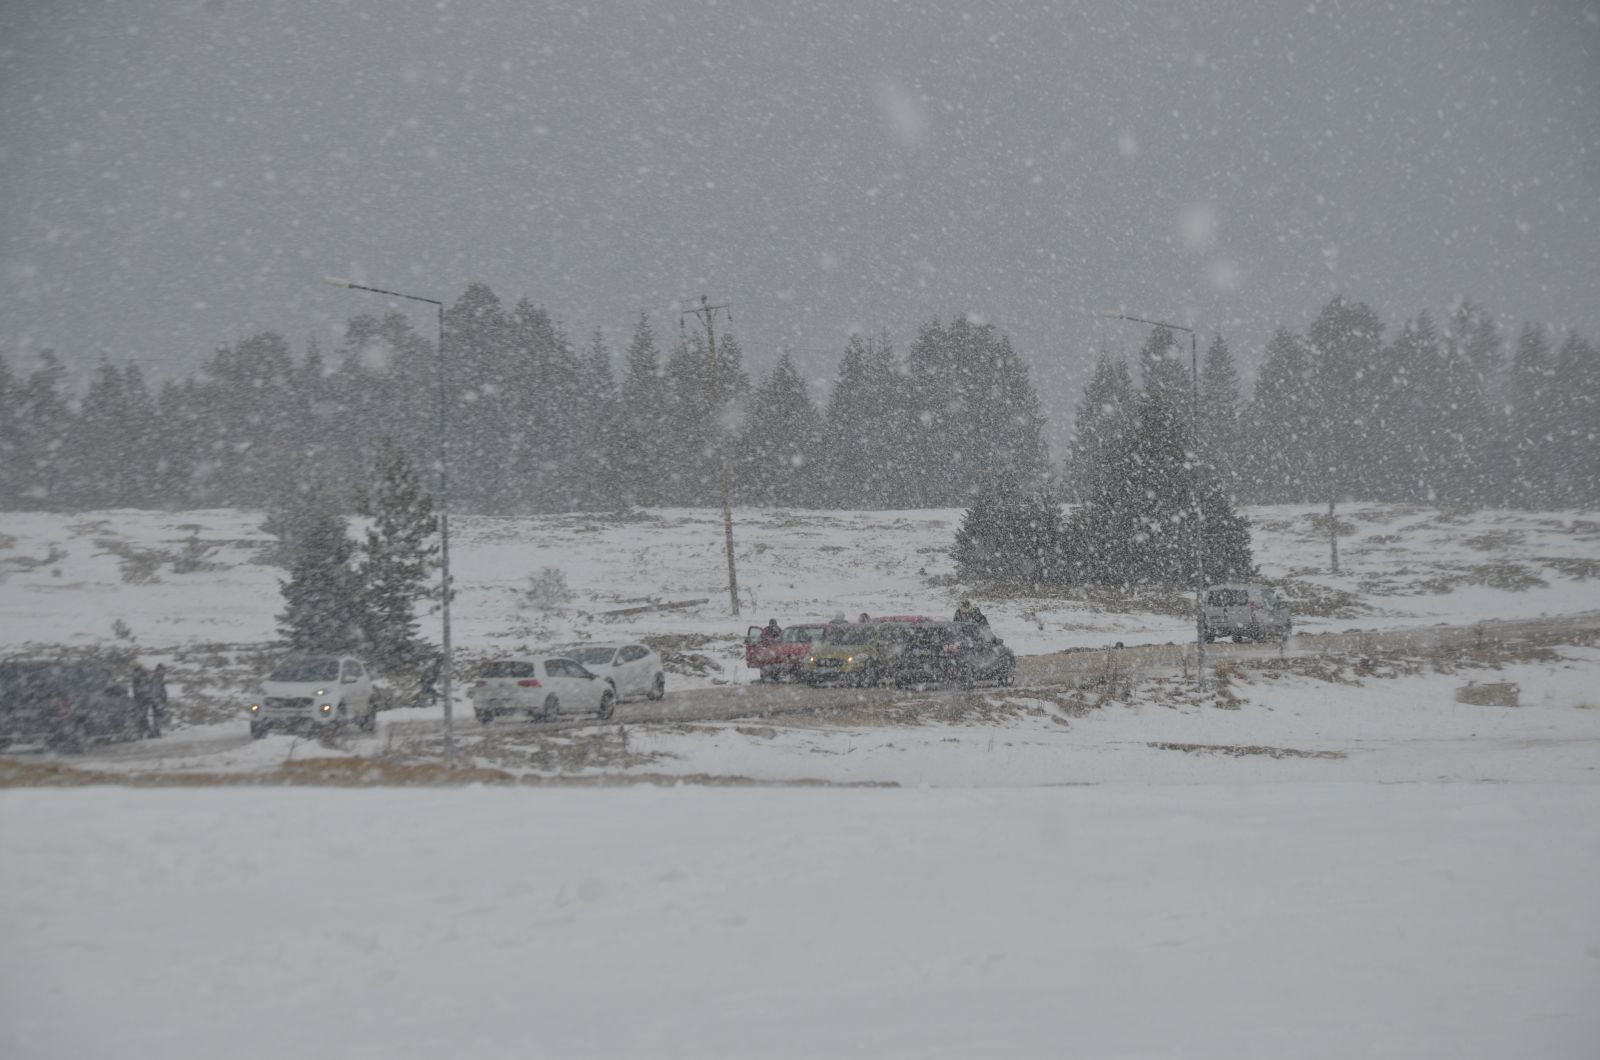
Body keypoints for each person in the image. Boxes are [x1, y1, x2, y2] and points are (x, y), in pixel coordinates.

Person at [131, 664, 153, 739]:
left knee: (142, 716)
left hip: (143, 700)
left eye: (136, 672)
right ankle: (146, 732)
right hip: (140, 699)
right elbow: (136, 691)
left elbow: (144, 690)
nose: (134, 674)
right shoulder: (136, 680)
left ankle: (144, 732)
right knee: (141, 716)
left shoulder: (143, 679)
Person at [148, 664, 167, 737]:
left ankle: (156, 732)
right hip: (157, 701)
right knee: (157, 716)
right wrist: (158, 702)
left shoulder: (158, 678)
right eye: (162, 670)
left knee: (157, 716)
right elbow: (155, 691)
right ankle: (156, 732)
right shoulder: (157, 678)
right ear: (159, 670)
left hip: (157, 700)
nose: (164, 672)